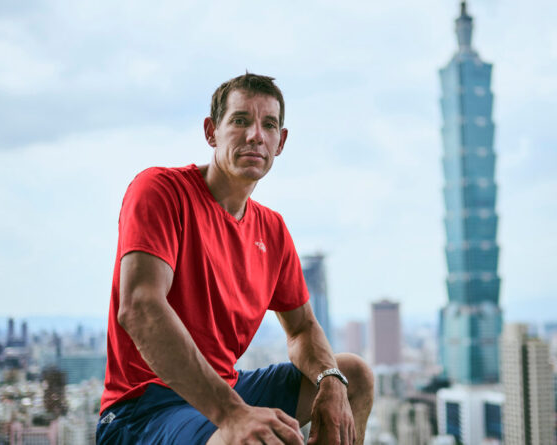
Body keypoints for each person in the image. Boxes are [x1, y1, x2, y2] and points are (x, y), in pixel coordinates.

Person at [96, 73, 374, 444]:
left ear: (280, 142)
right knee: (248, 438)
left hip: (226, 390)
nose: (255, 135)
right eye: (240, 120)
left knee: (353, 376)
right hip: (145, 409)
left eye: (268, 125)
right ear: (211, 132)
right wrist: (233, 415)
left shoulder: (272, 229)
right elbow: (140, 308)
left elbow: (303, 328)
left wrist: (330, 380)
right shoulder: (161, 190)